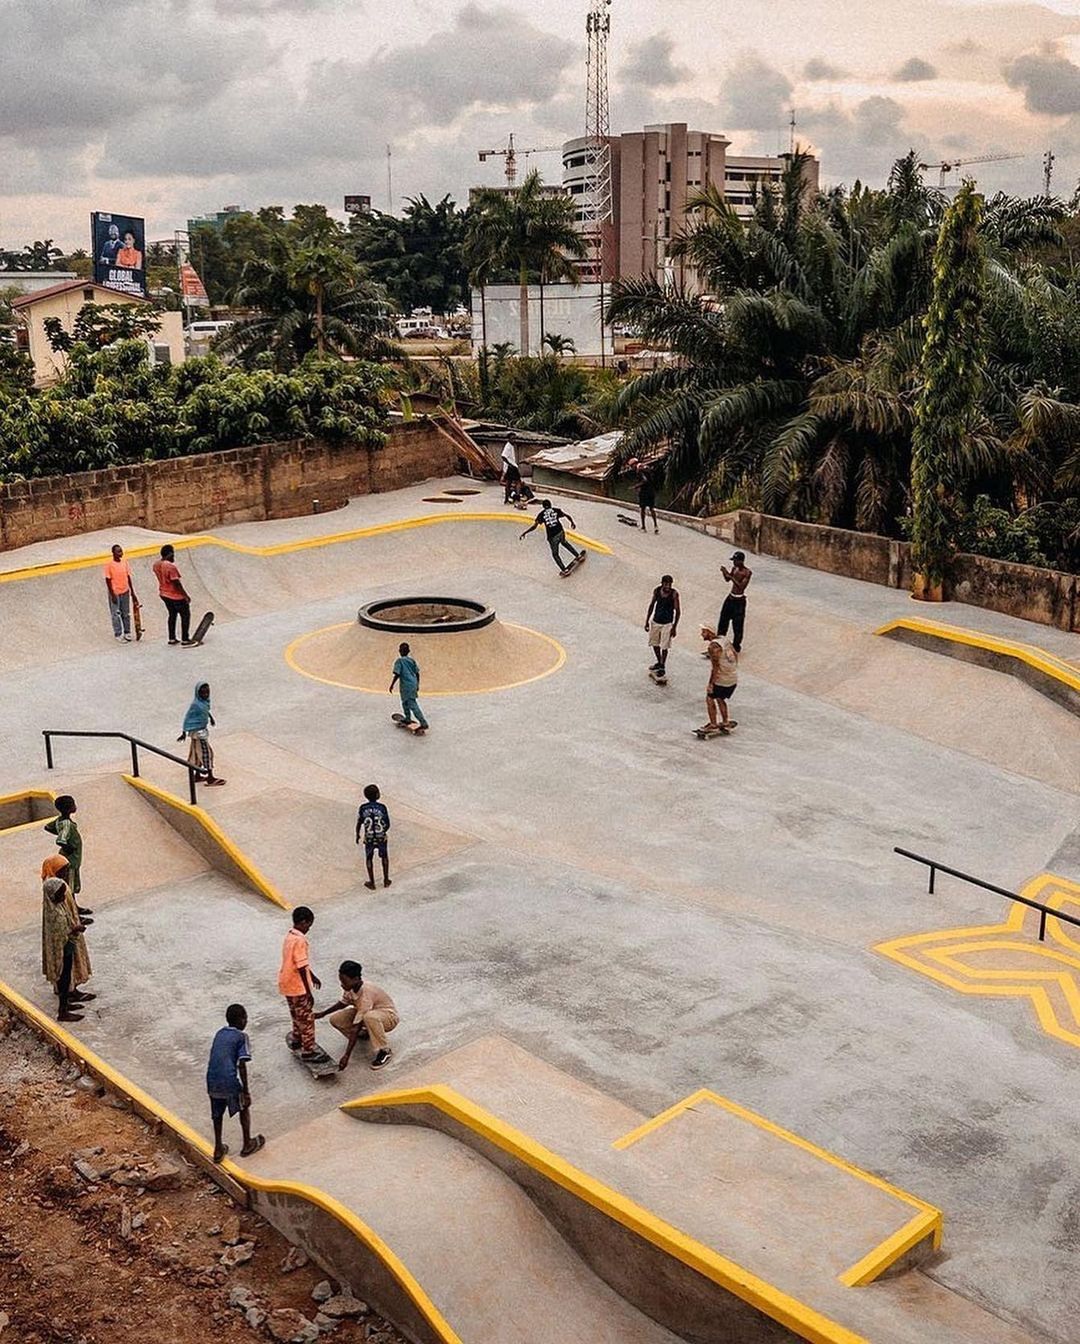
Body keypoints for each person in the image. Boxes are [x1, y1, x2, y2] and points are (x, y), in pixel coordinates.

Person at [206, 1004, 265, 1162]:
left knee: (217, 1114)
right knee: (244, 1106)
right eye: (245, 1017)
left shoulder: (219, 1033)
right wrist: (245, 1091)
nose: (246, 1020)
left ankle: (218, 1148)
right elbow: (241, 1064)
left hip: (212, 1079)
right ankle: (247, 1143)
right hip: (229, 1080)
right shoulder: (241, 1036)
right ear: (241, 1020)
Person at [315, 961, 398, 1071]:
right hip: (368, 1013)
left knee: (369, 1017)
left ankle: (384, 1051)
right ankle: (366, 1034)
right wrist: (323, 1013)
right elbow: (342, 1003)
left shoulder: (366, 994)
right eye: (341, 981)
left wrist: (346, 1056)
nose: (342, 985)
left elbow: (355, 1027)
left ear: (356, 979)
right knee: (335, 1019)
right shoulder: (350, 988)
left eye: (344, 981)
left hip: (388, 1017)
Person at [40, 858, 94, 1016]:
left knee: (67, 972)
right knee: (64, 975)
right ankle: (63, 1009)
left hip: (68, 944)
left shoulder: (56, 902)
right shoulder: (55, 911)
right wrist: (76, 928)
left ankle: (70, 994)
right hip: (64, 949)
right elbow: (61, 933)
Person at [278, 906, 325, 1063]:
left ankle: (297, 1037)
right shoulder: (300, 940)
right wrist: (308, 991)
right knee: (306, 1018)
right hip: (298, 987)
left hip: (287, 983)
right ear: (304, 922)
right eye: (309, 925)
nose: (309, 929)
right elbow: (300, 966)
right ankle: (308, 1050)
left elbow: (300, 964)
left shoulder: (289, 936)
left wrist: (313, 976)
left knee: (295, 1013)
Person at [44, 796, 91, 916]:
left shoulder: (60, 820)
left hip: (71, 860)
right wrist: (69, 847)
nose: (75, 806)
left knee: (71, 886)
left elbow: (48, 827)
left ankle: (74, 907)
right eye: (73, 804)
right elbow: (61, 840)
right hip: (69, 861)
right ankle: (73, 914)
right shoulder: (66, 824)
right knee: (68, 888)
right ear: (69, 808)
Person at [178, 682, 225, 785]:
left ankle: (197, 775)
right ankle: (210, 778)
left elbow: (205, 711)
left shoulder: (204, 702)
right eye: (203, 693)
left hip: (199, 731)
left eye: (207, 692)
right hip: (199, 733)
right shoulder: (196, 705)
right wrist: (184, 732)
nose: (206, 694)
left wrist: (211, 718)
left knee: (195, 752)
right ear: (198, 693)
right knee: (206, 753)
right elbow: (188, 718)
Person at [520, 500, 583, 574]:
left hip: (552, 537)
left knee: (555, 554)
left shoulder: (541, 514)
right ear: (550, 505)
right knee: (564, 543)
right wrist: (572, 522)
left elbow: (534, 526)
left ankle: (564, 569)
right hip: (560, 532)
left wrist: (525, 533)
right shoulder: (556, 510)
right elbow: (566, 515)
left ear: (543, 506)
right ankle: (578, 556)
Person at [701, 625, 739, 733]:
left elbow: (715, 668)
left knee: (709, 697)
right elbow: (735, 655)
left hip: (722, 679)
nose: (701, 634)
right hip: (733, 677)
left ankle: (713, 724)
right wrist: (731, 670)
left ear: (709, 632)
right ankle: (725, 721)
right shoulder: (724, 640)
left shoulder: (713, 647)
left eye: (703, 632)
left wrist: (710, 684)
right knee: (720, 698)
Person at [153, 544, 192, 645]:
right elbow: (176, 583)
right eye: (173, 554)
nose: (174, 556)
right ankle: (185, 639)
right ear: (169, 554)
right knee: (185, 615)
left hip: (164, 594)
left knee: (172, 615)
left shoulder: (156, 564)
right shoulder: (170, 566)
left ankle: (172, 638)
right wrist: (185, 595)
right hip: (175, 595)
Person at [356, 784, 391, 890]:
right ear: (377, 795)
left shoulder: (363, 808)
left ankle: (372, 882)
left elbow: (359, 822)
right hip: (381, 836)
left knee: (369, 858)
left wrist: (357, 834)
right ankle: (386, 880)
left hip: (369, 837)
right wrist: (384, 831)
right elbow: (387, 823)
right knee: (384, 857)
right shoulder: (382, 807)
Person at [644, 575, 680, 676]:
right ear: (662, 583)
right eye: (666, 584)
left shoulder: (674, 594)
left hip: (667, 624)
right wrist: (647, 621)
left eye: (670, 584)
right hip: (656, 621)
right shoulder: (657, 591)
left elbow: (678, 611)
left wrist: (674, 627)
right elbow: (651, 605)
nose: (668, 586)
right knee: (654, 643)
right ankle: (659, 662)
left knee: (664, 646)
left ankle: (662, 666)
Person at [718, 551, 753, 653]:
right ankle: (719, 644)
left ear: (741, 561)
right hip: (730, 599)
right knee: (723, 621)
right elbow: (727, 579)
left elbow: (741, 587)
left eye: (735, 561)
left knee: (737, 626)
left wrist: (731, 577)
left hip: (739, 602)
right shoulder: (734, 569)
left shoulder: (747, 573)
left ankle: (736, 646)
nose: (734, 563)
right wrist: (725, 573)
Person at [389, 642, 428, 733]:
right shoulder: (412, 660)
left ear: (400, 651)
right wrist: (417, 684)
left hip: (406, 686)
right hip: (413, 684)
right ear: (408, 651)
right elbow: (417, 673)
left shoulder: (399, 661)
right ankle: (407, 718)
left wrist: (392, 685)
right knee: (405, 702)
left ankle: (423, 723)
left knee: (412, 704)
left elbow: (397, 674)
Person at [104, 544, 137, 642]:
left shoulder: (125, 562)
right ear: (113, 553)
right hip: (115, 592)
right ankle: (118, 633)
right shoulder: (109, 565)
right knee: (116, 614)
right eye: (118, 551)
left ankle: (127, 632)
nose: (121, 553)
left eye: (121, 551)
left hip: (125, 591)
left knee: (126, 613)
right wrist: (112, 594)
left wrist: (132, 592)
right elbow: (108, 580)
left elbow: (128, 577)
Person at [633, 460, 660, 534]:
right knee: (652, 509)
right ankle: (655, 526)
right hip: (651, 491)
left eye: (632, 466)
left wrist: (636, 486)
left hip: (644, 492)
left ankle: (643, 527)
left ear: (634, 464)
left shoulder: (639, 470)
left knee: (642, 509)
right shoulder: (647, 468)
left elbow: (645, 480)